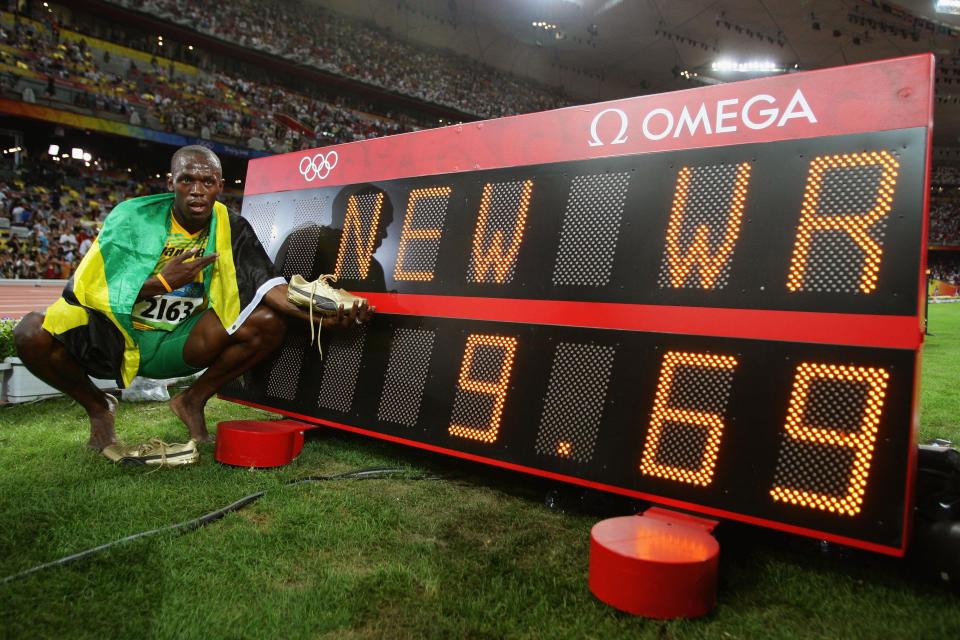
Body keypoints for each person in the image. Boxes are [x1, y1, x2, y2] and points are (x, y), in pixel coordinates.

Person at [14, 145, 372, 455]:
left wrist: (325, 315)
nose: (197, 190)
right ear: (171, 183)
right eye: (187, 180)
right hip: (116, 338)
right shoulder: (131, 217)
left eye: (207, 182)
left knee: (267, 321)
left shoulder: (230, 224)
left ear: (219, 185)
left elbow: (268, 288)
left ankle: (192, 400)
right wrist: (160, 283)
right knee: (31, 332)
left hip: (179, 339)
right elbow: (87, 288)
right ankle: (98, 408)